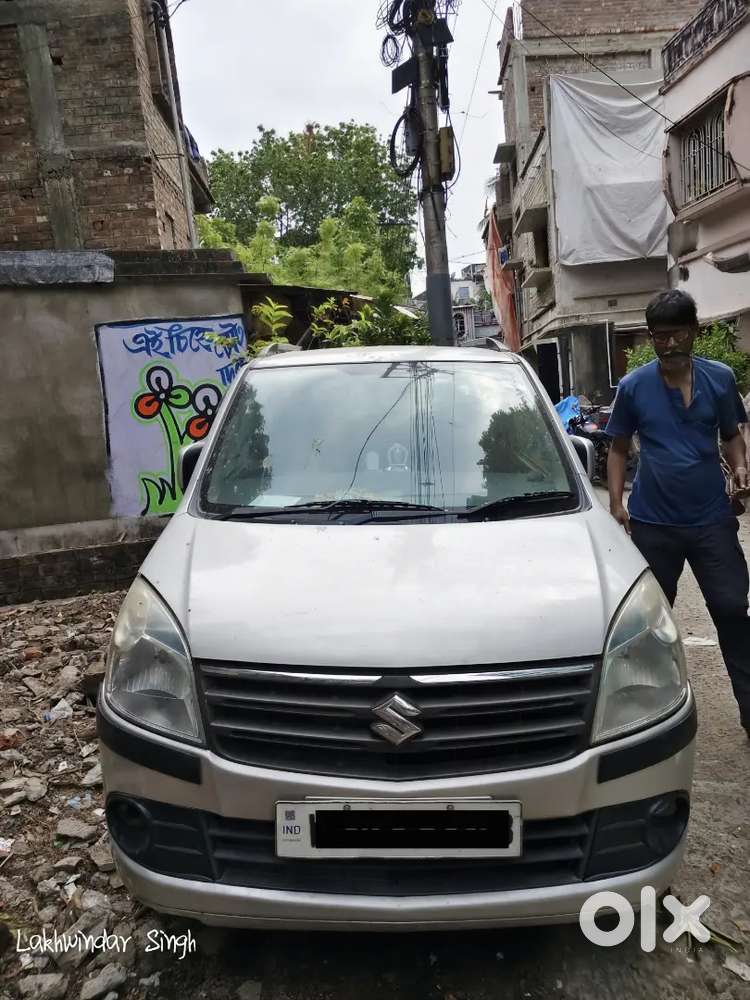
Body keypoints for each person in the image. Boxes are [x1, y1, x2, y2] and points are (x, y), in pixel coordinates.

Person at [607, 290, 750, 735]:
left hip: (711, 518)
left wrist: (742, 465)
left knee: (732, 609)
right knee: (647, 623)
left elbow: (732, 435)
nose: (667, 345)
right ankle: (638, 720)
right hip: (653, 523)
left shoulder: (720, 379)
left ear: (693, 331)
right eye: (658, 337)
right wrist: (616, 504)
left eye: (676, 335)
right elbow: (615, 448)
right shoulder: (634, 386)